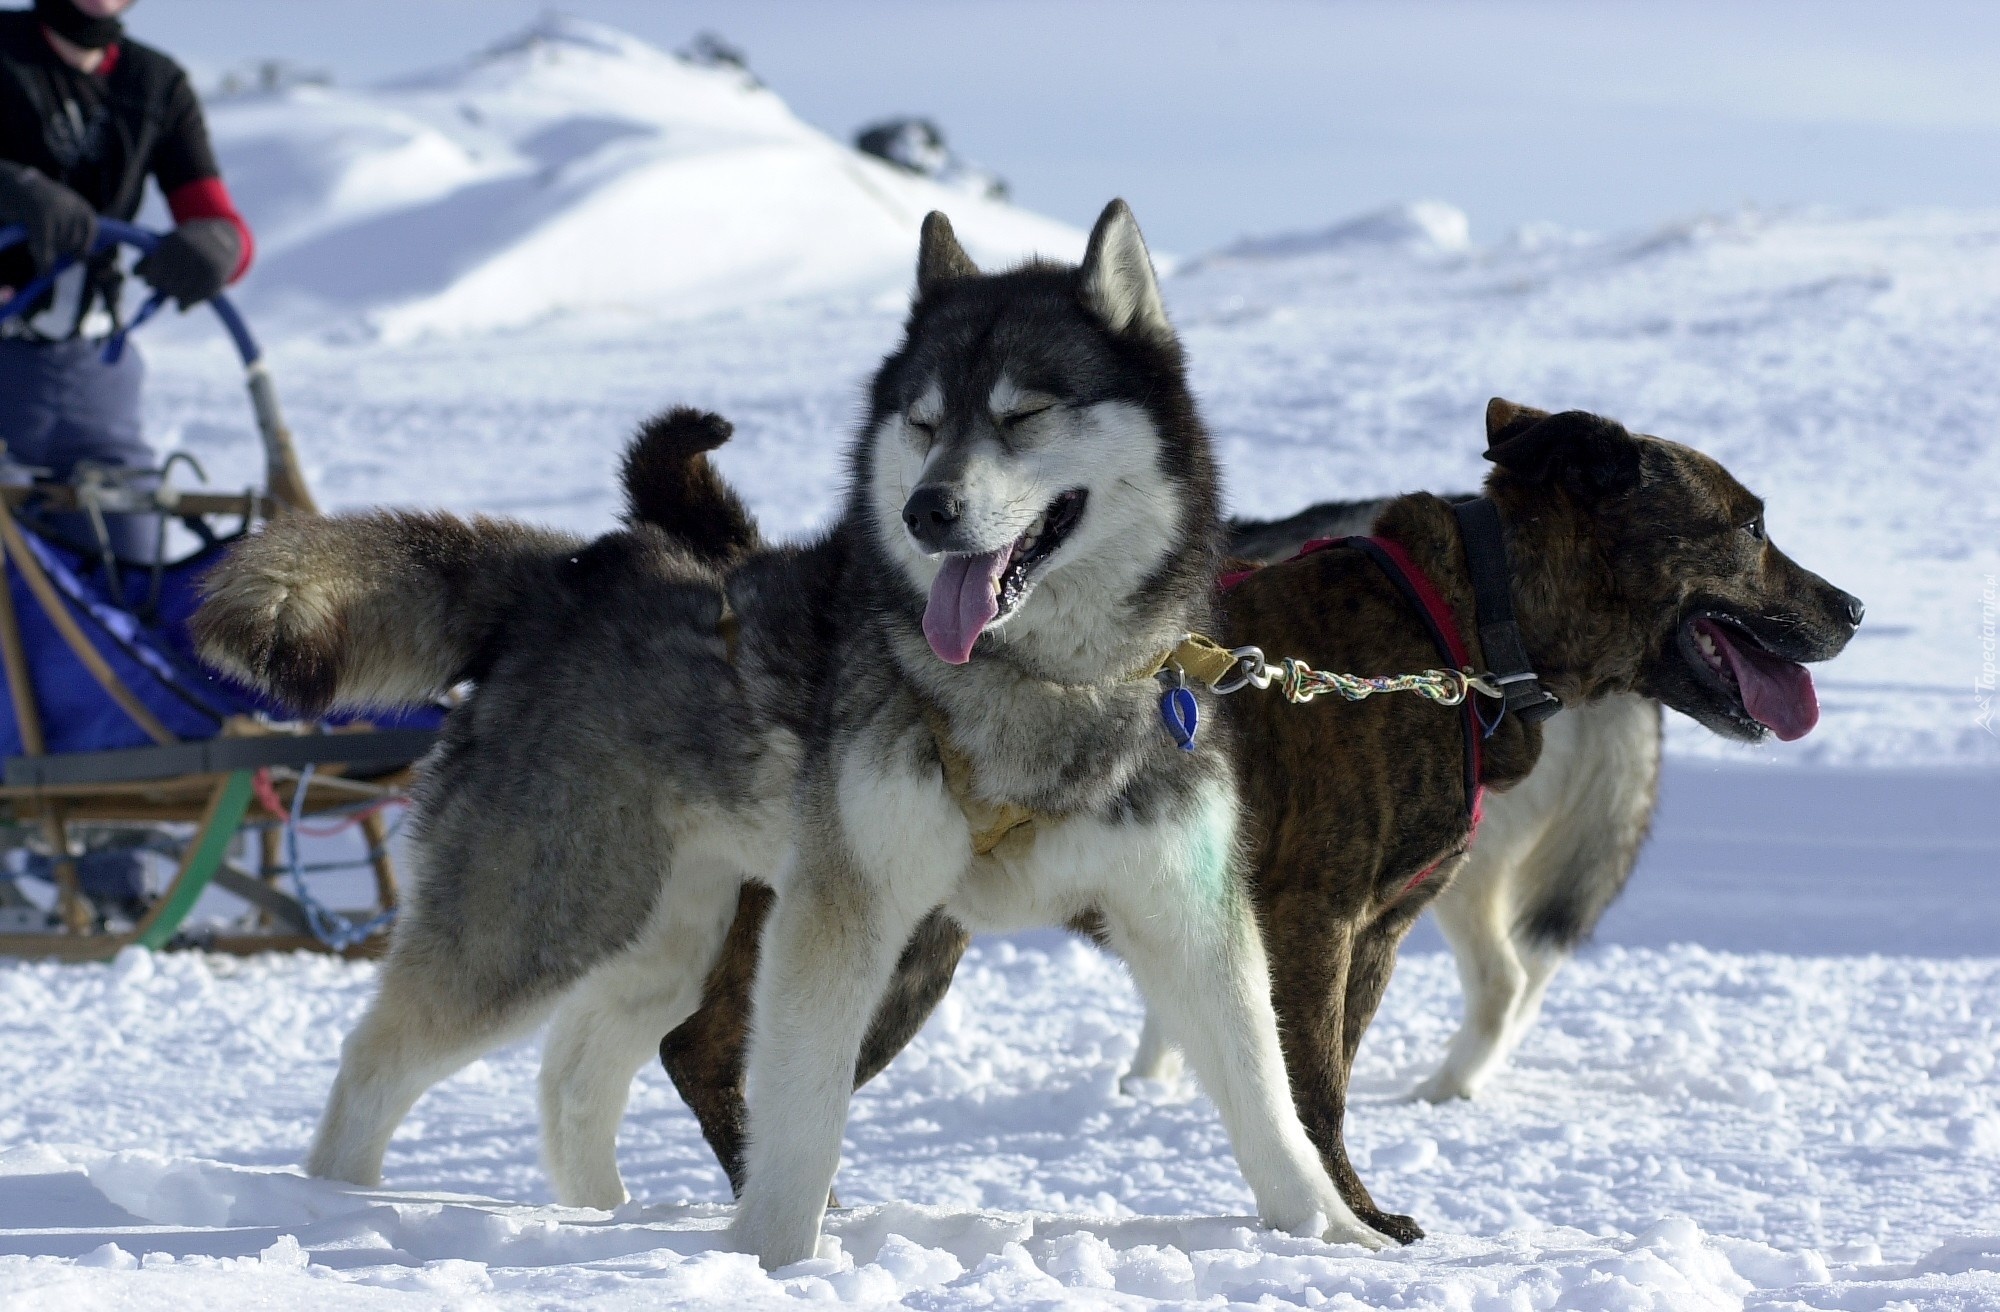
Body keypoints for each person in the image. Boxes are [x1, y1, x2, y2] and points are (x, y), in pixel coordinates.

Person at [0, 0, 254, 919]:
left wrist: (213, 248)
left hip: (100, 375)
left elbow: (216, 215)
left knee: (127, 589)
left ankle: (116, 858)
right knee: (15, 592)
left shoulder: (153, 84)